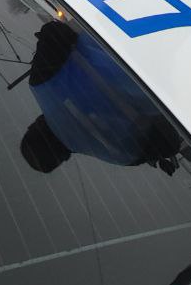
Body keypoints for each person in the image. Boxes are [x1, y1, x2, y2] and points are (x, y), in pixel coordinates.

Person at [20, 21, 181, 174]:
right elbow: (55, 31)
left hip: (176, 69)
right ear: (35, 127)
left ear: (63, 158)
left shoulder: (119, 154)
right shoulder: (43, 84)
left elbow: (169, 143)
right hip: (131, 31)